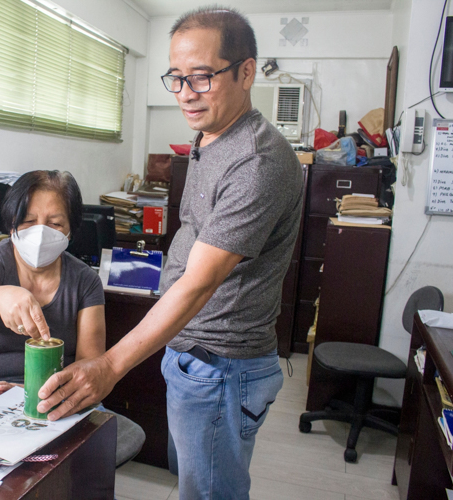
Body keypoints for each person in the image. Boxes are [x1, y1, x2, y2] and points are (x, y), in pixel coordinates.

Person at [36, 7, 303, 499]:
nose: (185, 93)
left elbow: (200, 281)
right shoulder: (211, 136)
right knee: (194, 485)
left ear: (246, 71)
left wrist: (111, 366)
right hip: (191, 355)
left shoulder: (257, 161)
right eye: (176, 78)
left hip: (221, 364)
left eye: (201, 77)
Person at [0, 170, 106, 388]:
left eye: (55, 224)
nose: (41, 232)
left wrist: (32, 392)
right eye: (28, 220)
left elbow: (90, 366)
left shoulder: (86, 281)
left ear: (70, 231)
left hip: (58, 397)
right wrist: (1, 297)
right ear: (11, 223)